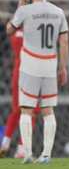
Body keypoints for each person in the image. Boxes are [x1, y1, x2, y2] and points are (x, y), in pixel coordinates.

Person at [6, 0, 68, 164]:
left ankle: (26, 154)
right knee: (47, 109)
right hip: (50, 65)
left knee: (26, 109)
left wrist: (18, 8)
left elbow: (10, 30)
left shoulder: (25, 10)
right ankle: (47, 155)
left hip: (30, 65)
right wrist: (63, 68)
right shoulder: (58, 11)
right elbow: (64, 41)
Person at [0, 27, 41, 159]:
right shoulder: (36, 30)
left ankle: (5, 143)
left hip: (18, 74)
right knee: (31, 112)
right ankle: (22, 150)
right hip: (31, 74)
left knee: (17, 110)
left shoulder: (15, 31)